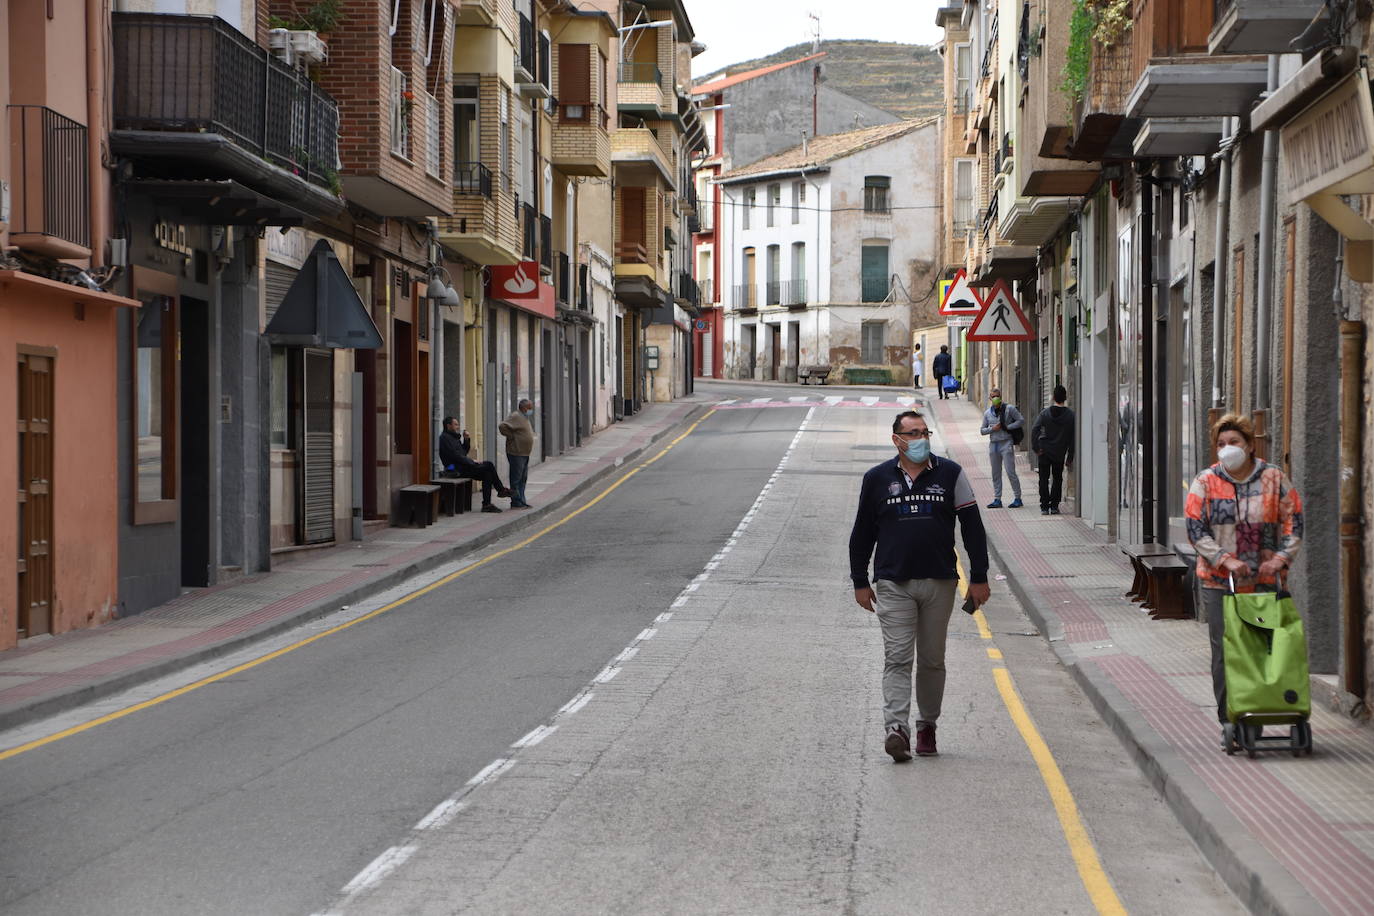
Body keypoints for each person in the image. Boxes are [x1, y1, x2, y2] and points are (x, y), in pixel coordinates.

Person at [849, 410, 991, 761]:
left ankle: (927, 724)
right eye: (913, 434)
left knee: (931, 659)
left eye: (924, 432)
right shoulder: (877, 479)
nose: (921, 439)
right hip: (893, 583)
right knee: (897, 658)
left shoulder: (951, 474)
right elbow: (862, 532)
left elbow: (972, 527)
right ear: (897, 440)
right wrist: (859, 580)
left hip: (940, 582)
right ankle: (896, 728)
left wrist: (980, 576)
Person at [1186, 413, 1303, 739]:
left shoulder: (1274, 478)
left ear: (1250, 445)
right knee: (1226, 651)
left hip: (1264, 582)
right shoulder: (1206, 482)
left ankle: (1262, 708)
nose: (1227, 449)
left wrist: (1280, 558)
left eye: (1234, 442)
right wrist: (1225, 559)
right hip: (1220, 582)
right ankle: (1230, 718)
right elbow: (1195, 529)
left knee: (1266, 648)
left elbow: (1295, 521)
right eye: (1221, 444)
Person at [439, 416, 511, 513]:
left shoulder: (453, 437)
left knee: (487, 474)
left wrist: (466, 439)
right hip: (454, 469)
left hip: (462, 466)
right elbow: (456, 456)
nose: (458, 426)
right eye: (455, 424)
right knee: (488, 465)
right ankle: (501, 490)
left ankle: (487, 504)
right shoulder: (445, 438)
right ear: (448, 426)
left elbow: (463, 453)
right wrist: (473, 462)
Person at [1030, 385, 1075, 515]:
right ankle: (1054, 506)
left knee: (1043, 479)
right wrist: (1070, 456)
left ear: (1053, 398)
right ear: (1065, 398)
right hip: (1059, 452)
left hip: (1044, 451)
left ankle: (1044, 506)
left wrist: (1036, 448)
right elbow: (1073, 438)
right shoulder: (1070, 416)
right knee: (1057, 479)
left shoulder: (1045, 413)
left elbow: (1034, 430)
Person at [979, 387, 1024, 508]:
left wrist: (1009, 427)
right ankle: (997, 499)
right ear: (990, 398)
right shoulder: (987, 413)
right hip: (994, 444)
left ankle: (1018, 498)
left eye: (997, 396)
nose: (995, 399)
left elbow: (1021, 420)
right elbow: (982, 431)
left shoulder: (1009, 409)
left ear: (1001, 396)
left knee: (1010, 471)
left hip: (1006, 443)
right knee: (995, 473)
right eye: (993, 397)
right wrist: (992, 429)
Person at [498, 399, 536, 509]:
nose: (531, 410)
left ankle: (521, 500)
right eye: (530, 407)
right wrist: (511, 436)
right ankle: (516, 501)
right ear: (524, 408)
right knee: (516, 479)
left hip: (524, 453)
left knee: (522, 479)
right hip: (516, 452)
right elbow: (502, 426)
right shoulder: (516, 416)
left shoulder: (524, 417)